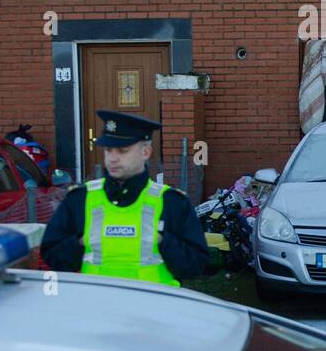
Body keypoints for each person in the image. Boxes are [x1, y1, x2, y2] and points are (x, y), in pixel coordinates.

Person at [40, 110, 209, 286]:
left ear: (146, 152)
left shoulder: (171, 202)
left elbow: (195, 266)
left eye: (122, 151)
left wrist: (163, 240)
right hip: (95, 308)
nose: (112, 158)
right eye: (108, 150)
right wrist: (80, 242)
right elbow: (53, 258)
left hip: (154, 308)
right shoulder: (79, 200)